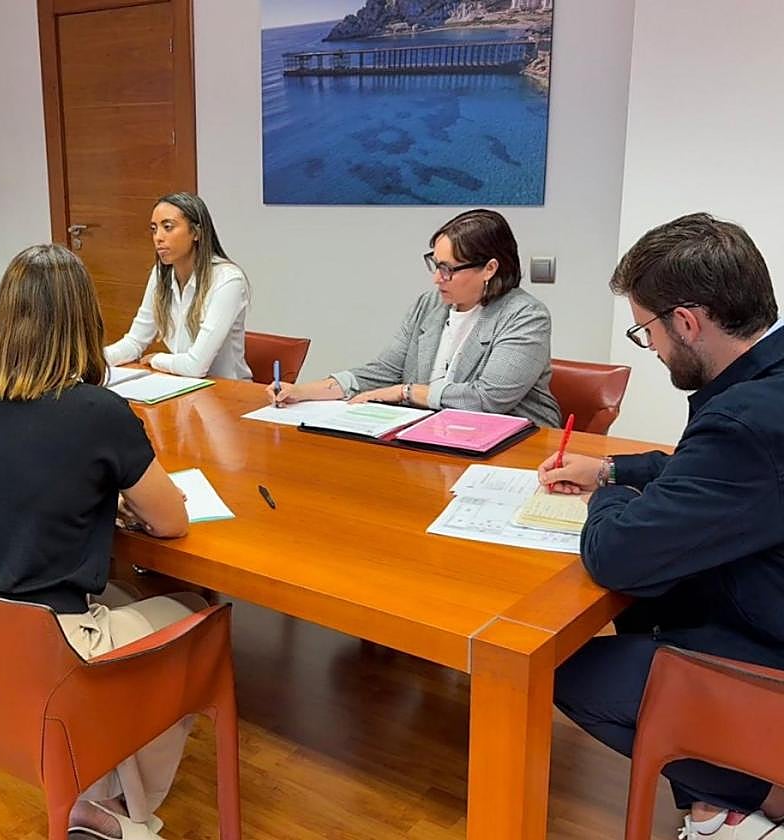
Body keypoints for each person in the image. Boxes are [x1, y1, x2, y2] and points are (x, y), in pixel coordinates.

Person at [0, 243, 204, 840]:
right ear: (86, 321)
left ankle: (93, 793)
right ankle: (124, 815)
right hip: (46, 643)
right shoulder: (97, 412)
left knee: (126, 602)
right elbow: (171, 522)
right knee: (192, 618)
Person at [540, 213, 784, 839]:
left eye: (645, 329)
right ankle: (720, 805)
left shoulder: (743, 420)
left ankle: (747, 801)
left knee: (561, 666)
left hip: (770, 658)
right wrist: (617, 465)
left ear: (686, 321)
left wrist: (609, 492)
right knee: (659, 594)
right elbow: (709, 474)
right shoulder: (766, 385)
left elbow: (617, 554)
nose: (649, 348)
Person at [267, 208, 561, 428]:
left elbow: (487, 400)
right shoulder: (430, 304)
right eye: (435, 264)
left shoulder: (525, 316)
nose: (437, 278)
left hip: (514, 446)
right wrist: (304, 391)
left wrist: (404, 392)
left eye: (448, 269)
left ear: (489, 268)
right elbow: (384, 370)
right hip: (435, 434)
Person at [104, 192, 252, 380]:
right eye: (154, 229)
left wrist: (157, 359)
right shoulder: (160, 276)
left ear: (196, 233)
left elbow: (195, 366)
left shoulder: (227, 280)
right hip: (183, 385)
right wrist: (93, 361)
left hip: (230, 393)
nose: (158, 237)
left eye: (168, 227)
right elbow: (134, 342)